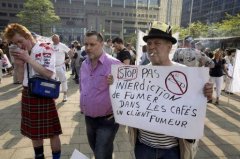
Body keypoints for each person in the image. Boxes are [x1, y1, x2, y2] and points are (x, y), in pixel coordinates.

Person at [108, 21, 213, 159]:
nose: (151, 47)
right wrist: (115, 85)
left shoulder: (186, 74)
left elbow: (197, 106)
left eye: (157, 43)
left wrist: (207, 94)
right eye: (149, 43)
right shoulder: (140, 73)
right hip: (143, 146)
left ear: (169, 47)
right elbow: (127, 102)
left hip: (172, 149)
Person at [3, 23, 62, 159]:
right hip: (28, 93)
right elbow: (19, 78)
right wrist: (19, 64)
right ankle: (39, 156)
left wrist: (28, 59)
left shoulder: (45, 48)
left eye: (20, 41)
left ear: (27, 35)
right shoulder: (21, 53)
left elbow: (48, 73)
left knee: (53, 132)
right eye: (15, 43)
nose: (19, 45)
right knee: (34, 133)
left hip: (44, 92)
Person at [79, 31, 121, 159]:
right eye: (86, 44)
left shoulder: (115, 64)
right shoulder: (84, 64)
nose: (88, 48)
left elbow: (126, 92)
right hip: (89, 118)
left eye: (92, 44)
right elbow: (82, 87)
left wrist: (116, 83)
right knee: (97, 149)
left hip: (107, 120)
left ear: (101, 44)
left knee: (101, 153)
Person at [51, 34, 71, 102]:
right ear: (52, 39)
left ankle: (65, 95)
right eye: (54, 39)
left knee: (63, 80)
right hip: (52, 67)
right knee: (53, 81)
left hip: (60, 66)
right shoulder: (50, 46)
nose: (55, 40)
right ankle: (54, 95)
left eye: (56, 39)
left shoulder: (62, 45)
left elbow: (70, 52)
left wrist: (68, 59)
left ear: (59, 39)